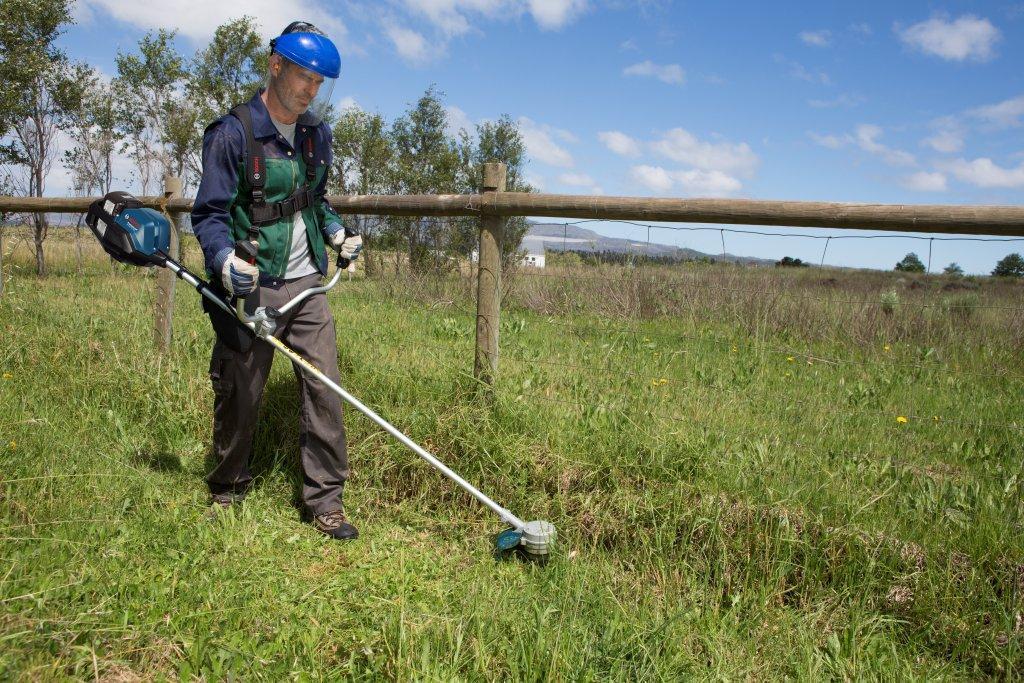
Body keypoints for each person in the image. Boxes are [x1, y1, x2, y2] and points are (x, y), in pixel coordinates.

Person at [191, 21, 363, 540]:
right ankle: (228, 485)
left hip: (307, 282)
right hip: (254, 282)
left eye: (319, 82)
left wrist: (336, 233)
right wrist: (224, 260)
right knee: (242, 390)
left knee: (324, 387)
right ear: (276, 65)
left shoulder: (315, 135)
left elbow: (315, 199)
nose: (311, 90)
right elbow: (209, 214)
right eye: (304, 76)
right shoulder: (233, 134)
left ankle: (325, 499)